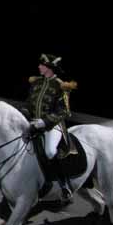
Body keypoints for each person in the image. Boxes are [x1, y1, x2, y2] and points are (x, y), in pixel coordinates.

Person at [22, 53, 77, 202]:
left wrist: (45, 122)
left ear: (49, 68)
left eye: (42, 65)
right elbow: (28, 103)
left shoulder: (61, 86)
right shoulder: (36, 82)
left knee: (50, 151)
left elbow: (64, 111)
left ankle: (63, 185)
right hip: (33, 123)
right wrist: (24, 113)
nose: (39, 67)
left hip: (52, 126)